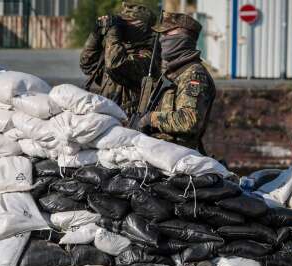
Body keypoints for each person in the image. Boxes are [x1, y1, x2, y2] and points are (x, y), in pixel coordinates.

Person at [138, 12, 216, 154]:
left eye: (167, 33)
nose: (163, 39)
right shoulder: (172, 71)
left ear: (183, 38)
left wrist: (151, 118)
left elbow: (189, 120)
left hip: (178, 154)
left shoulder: (194, 74)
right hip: (159, 150)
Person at [79, 1, 158, 117]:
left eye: (127, 23)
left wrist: (113, 32)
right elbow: (87, 65)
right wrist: (96, 35)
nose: (123, 27)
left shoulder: (148, 55)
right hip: (107, 117)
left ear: (143, 27)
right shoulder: (117, 48)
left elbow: (114, 64)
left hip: (128, 121)